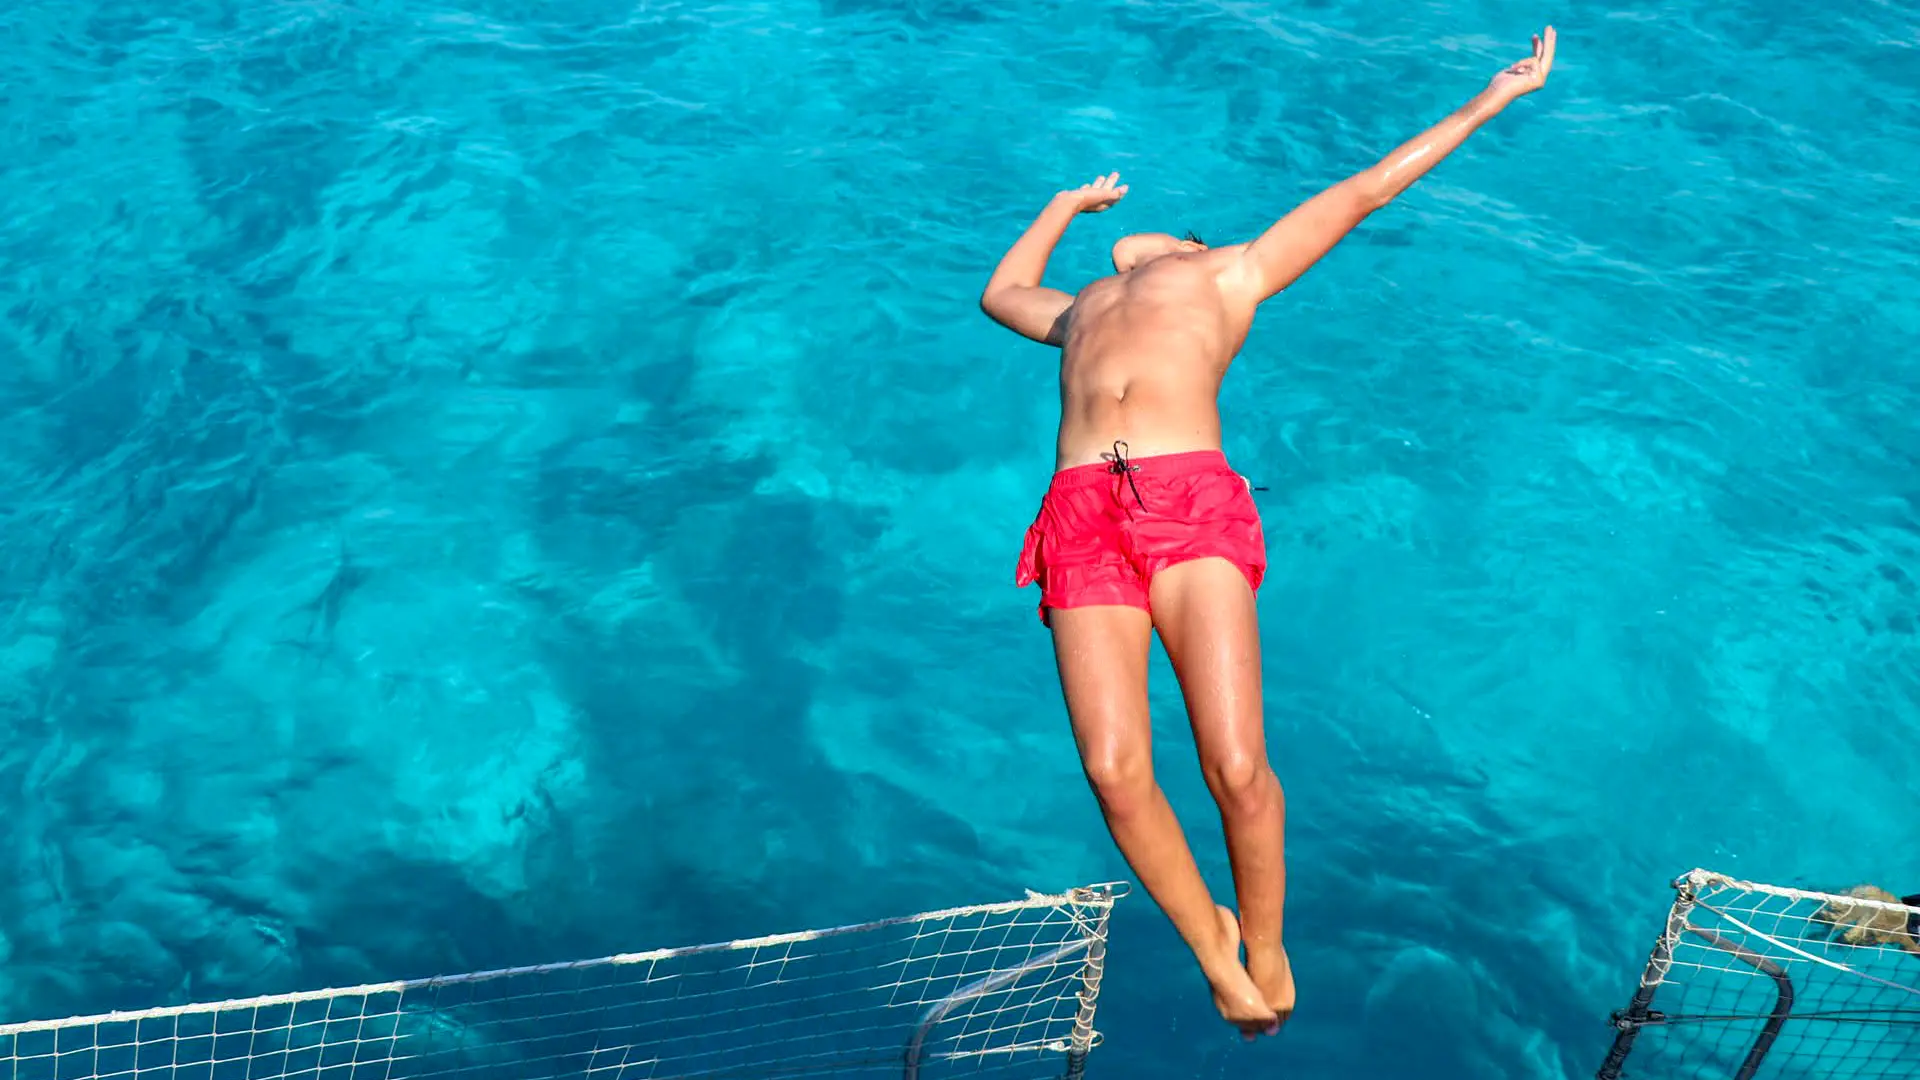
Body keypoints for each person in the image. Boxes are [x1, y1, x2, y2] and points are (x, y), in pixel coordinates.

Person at [978, 28, 1558, 1038]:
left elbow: (1367, 188)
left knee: (1235, 765)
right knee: (1115, 773)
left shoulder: (1229, 275)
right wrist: (1062, 206)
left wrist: (1489, 99)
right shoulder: (1080, 312)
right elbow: (997, 294)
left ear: (1195, 248)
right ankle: (1210, 947)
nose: (1144, 232)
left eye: (1169, 231)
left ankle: (1266, 935)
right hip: (1079, 513)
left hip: (1185, 498)